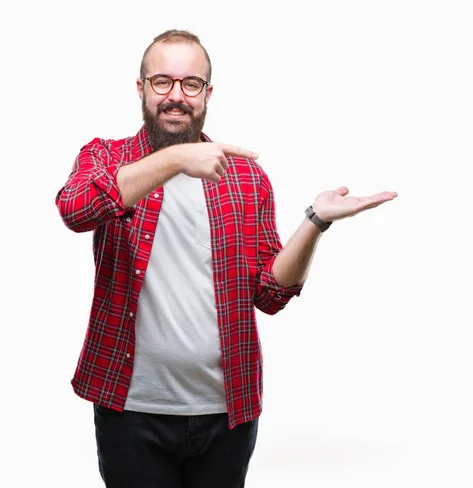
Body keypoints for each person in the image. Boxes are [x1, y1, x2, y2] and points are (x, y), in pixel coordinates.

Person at [55, 29, 397, 488]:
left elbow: (270, 294)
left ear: (207, 94)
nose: (176, 96)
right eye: (162, 81)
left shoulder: (245, 177)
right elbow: (76, 210)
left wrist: (315, 221)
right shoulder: (106, 157)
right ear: (141, 88)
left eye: (190, 84)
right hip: (131, 410)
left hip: (226, 413)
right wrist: (176, 158)